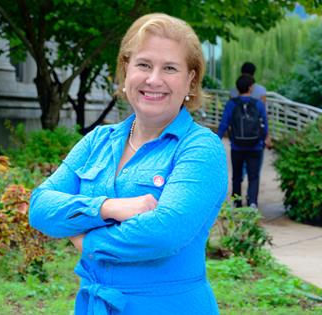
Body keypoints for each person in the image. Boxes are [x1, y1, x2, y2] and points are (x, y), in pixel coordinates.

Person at [28, 13, 228, 315]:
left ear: (191, 79)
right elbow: (40, 206)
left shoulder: (200, 148)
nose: (154, 79)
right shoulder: (97, 141)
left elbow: (165, 232)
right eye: (144, 64)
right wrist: (106, 207)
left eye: (170, 68)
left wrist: (86, 241)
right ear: (126, 69)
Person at [217, 75, 268, 208]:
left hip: (237, 146)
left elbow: (224, 124)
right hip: (255, 146)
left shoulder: (231, 104)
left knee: (236, 175)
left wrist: (216, 140)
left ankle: (237, 202)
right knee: (254, 176)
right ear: (250, 87)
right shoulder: (258, 104)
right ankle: (252, 202)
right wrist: (263, 141)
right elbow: (264, 124)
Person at [230, 62, 272, 149]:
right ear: (254, 74)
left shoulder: (233, 91)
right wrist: (267, 136)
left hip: (238, 133)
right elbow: (263, 114)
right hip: (255, 133)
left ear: (241, 73)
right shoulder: (261, 90)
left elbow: (231, 113)